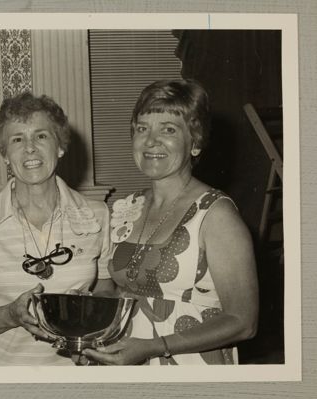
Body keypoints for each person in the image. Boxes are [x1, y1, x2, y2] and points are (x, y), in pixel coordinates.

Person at [82, 79, 259, 365]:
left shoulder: (216, 214)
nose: (151, 141)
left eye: (168, 129)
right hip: (125, 360)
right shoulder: (127, 208)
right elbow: (123, 291)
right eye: (142, 129)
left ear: (196, 143)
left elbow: (243, 321)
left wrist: (154, 347)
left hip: (189, 365)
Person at [0, 92, 114, 366]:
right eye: (17, 139)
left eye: (41, 136)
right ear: (4, 153)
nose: (30, 148)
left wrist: (86, 314)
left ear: (60, 146)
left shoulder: (97, 216)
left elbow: (107, 291)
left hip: (78, 378)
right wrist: (10, 315)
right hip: (5, 382)